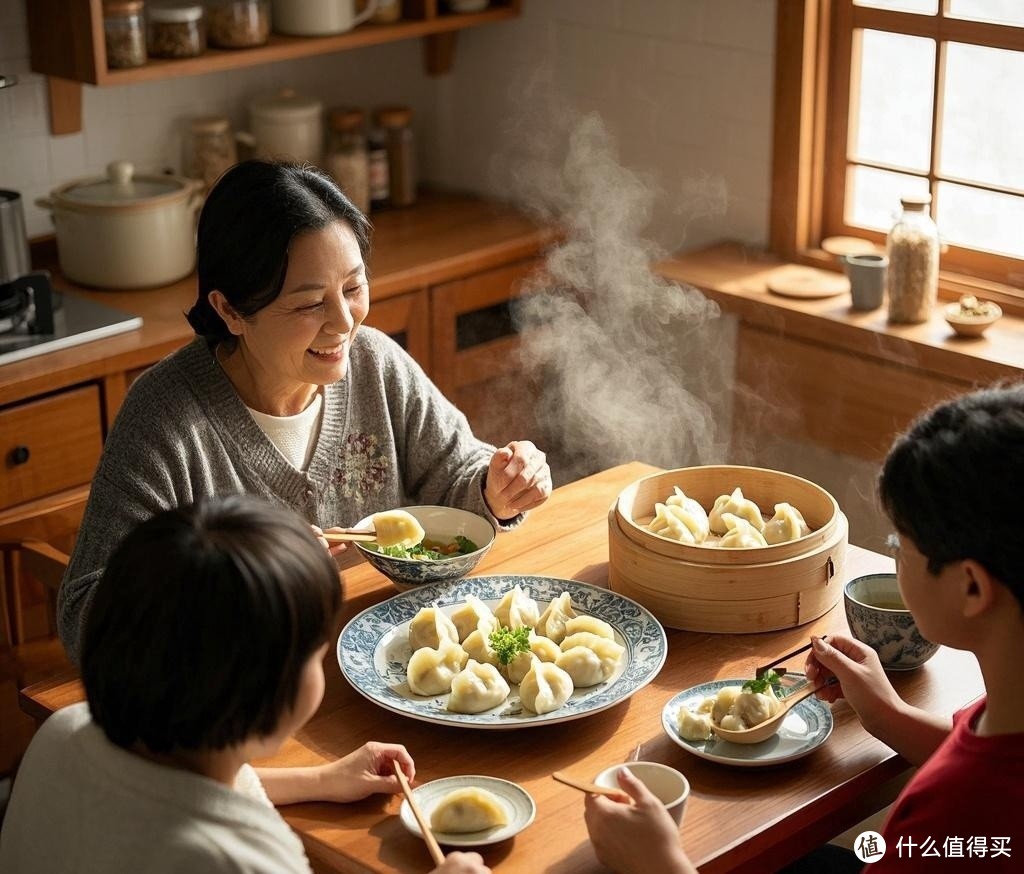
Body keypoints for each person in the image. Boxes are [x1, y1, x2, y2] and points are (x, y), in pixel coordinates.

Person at [57, 159, 551, 662]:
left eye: (353, 288)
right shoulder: (166, 421)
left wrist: (496, 487)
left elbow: (454, 473)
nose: (344, 322)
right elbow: (86, 614)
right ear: (230, 311)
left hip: (395, 670)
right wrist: (246, 582)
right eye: (309, 303)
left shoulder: (374, 362)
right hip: (249, 701)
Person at [583, 383, 1024, 873]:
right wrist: (888, 715)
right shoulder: (1008, 708)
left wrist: (660, 864)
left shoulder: (958, 817)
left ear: (971, 588)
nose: (894, 558)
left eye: (901, 547)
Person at [0, 496, 489, 874]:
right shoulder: (238, 860)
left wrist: (321, 780)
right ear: (265, 692)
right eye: (316, 654)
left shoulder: (64, 732)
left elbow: (184, 788)